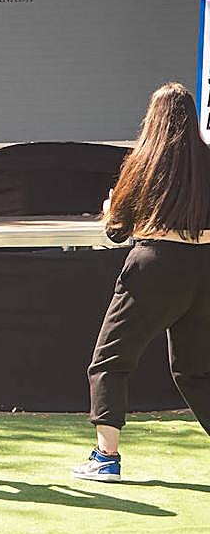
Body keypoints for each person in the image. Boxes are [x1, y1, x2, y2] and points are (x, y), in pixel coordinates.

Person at [74, 82, 210, 481]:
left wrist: (108, 210)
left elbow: (117, 230)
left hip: (155, 265)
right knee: (194, 371)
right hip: (206, 268)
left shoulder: (143, 162)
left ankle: (106, 458)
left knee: (110, 361)